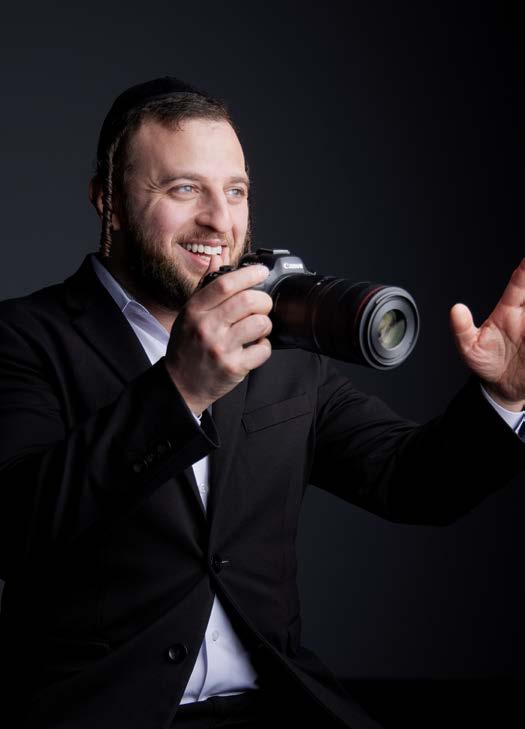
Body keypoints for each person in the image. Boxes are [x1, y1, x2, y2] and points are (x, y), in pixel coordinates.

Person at [0, 76, 523, 729]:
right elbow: (13, 529)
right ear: (108, 201)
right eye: (183, 188)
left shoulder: (280, 343)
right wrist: (180, 389)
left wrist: (505, 396)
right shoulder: (22, 338)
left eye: (235, 191)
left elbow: (415, 484)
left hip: (272, 709)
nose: (220, 221)